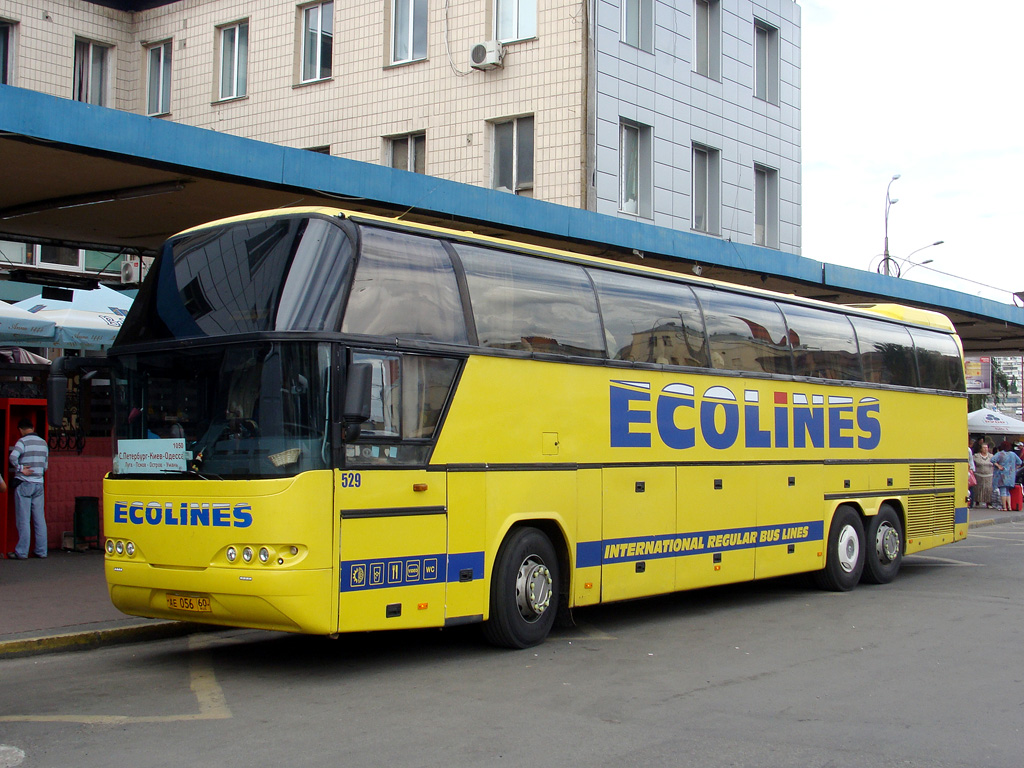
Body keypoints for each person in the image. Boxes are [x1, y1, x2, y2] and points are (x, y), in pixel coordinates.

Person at [7, 418, 49, 560]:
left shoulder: (22, 442)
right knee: (39, 519)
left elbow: (12, 457)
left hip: (25, 483)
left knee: (23, 520)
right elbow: (45, 466)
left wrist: (20, 469)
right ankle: (42, 551)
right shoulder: (43, 443)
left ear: (21, 429)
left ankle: (22, 552)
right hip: (39, 484)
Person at [993, 441, 1022, 512]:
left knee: (1003, 491)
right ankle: (1009, 506)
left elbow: (992, 460)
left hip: (1002, 475)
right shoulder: (1013, 454)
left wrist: (998, 466)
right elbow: (1020, 462)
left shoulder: (1000, 454)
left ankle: (1004, 507)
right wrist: (1014, 468)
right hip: (1011, 475)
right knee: (1008, 491)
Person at [973, 441, 995, 509]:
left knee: (988, 489)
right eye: (984, 447)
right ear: (981, 449)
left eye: (986, 448)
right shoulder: (976, 456)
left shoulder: (992, 456)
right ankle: (977, 501)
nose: (985, 449)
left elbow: (995, 463)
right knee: (978, 489)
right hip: (979, 475)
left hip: (989, 475)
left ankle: (988, 502)